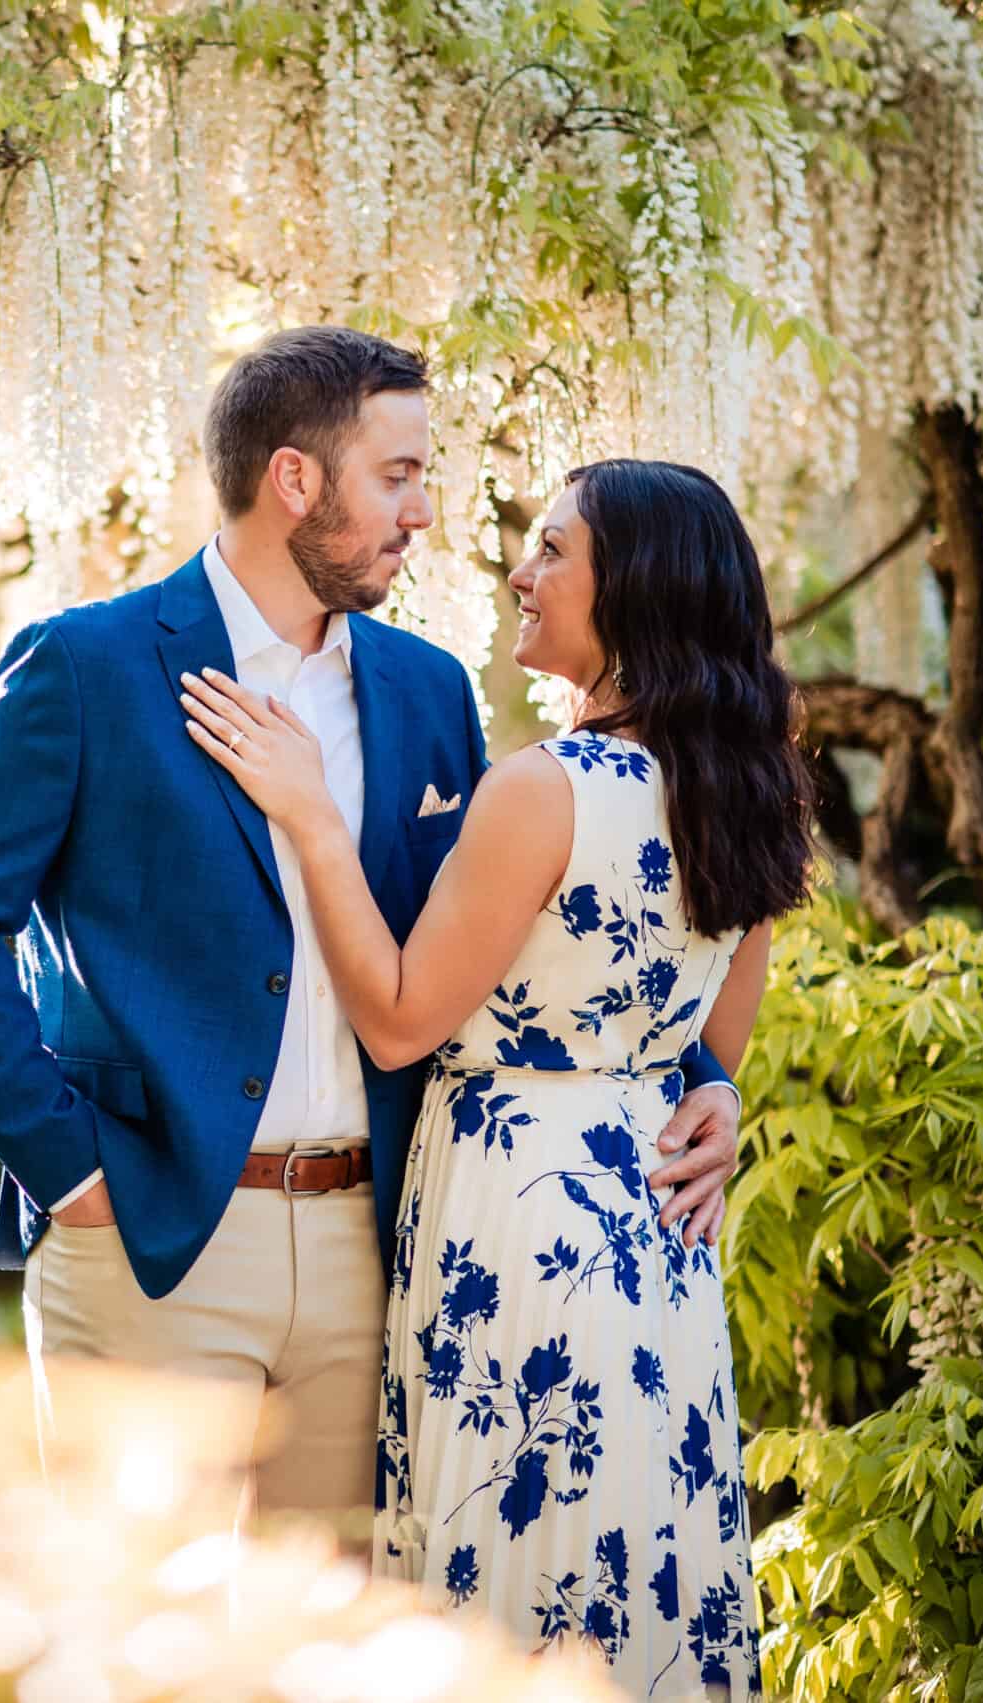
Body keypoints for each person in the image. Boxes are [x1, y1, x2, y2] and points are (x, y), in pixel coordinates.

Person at [0, 330, 744, 1529]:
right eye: (396, 475)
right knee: (137, 1638)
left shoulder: (426, 687)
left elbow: (502, 941)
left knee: (338, 1635)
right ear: (297, 481)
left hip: (374, 1244)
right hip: (151, 1231)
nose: (426, 511)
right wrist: (65, 1167)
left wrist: (701, 1077)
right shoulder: (88, 665)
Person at [178, 457, 811, 1690]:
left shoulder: (547, 787)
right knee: (633, 1548)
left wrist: (310, 813)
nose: (521, 572)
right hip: (651, 1238)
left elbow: (402, 1021)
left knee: (512, 1566)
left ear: (634, 587)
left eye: (553, 549)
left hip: (519, 1223)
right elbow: (713, 1046)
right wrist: (717, 1100)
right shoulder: (749, 791)